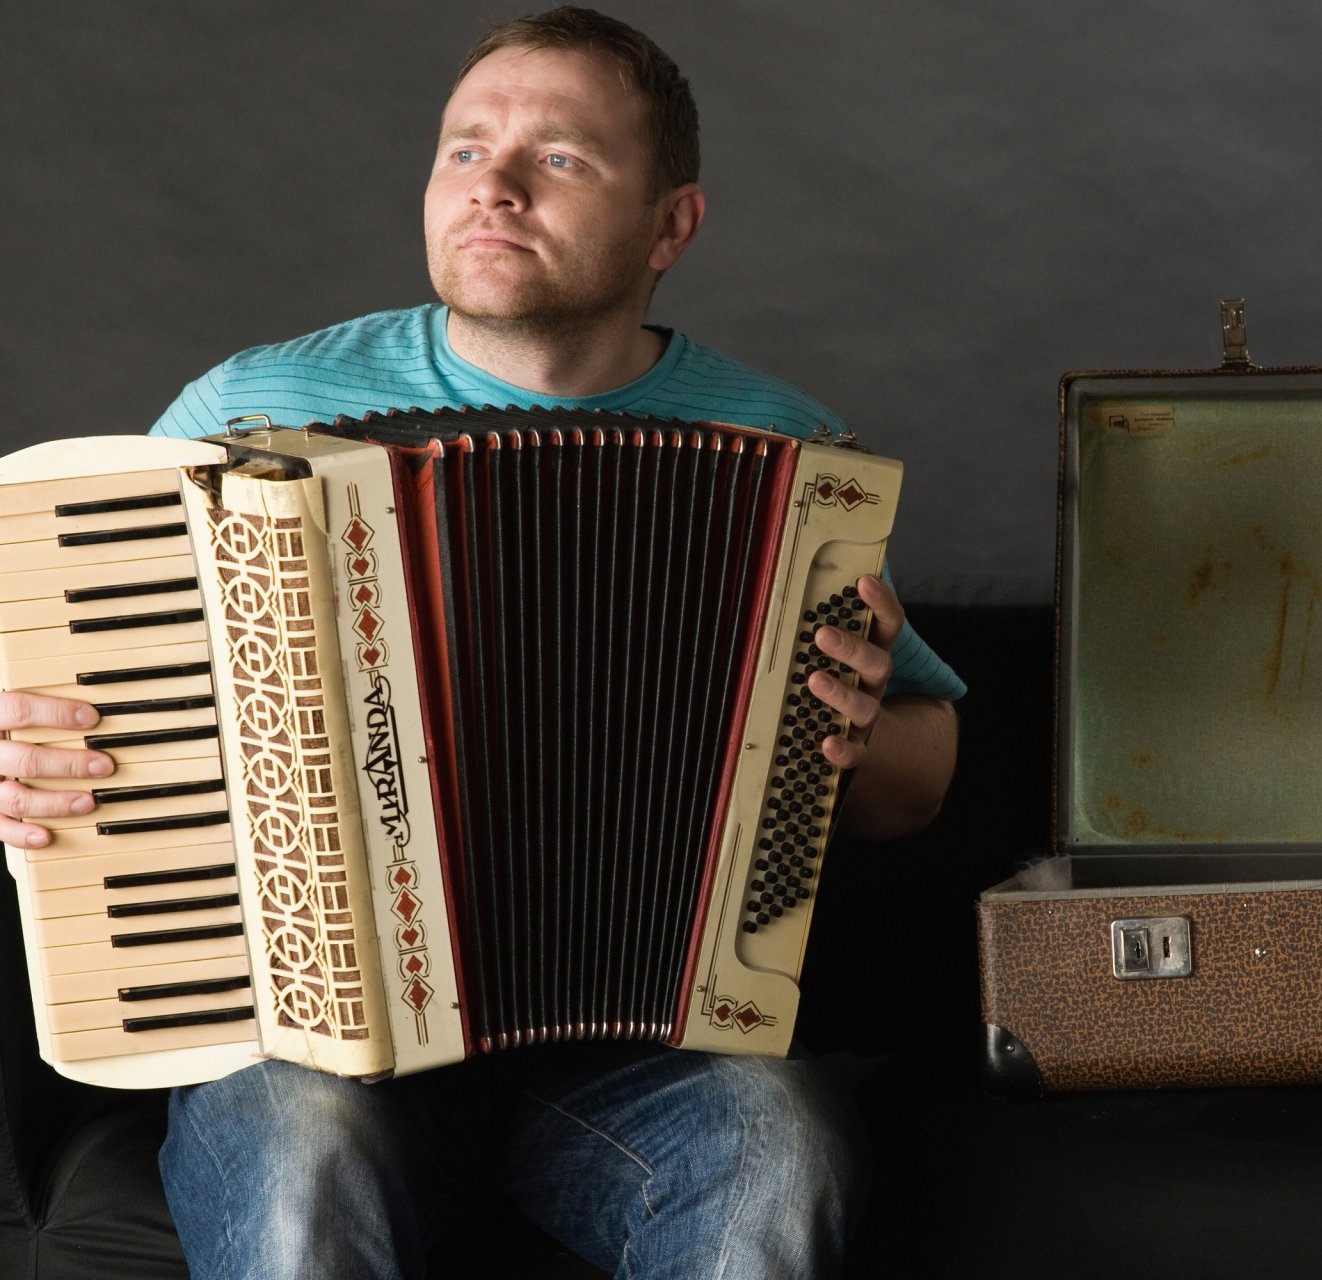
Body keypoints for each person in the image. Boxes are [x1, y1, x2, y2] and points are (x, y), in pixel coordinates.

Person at [0, 8, 962, 1277]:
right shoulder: (246, 413)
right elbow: (57, 670)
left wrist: (850, 736)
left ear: (672, 223)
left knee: (780, 1146)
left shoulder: (789, 452)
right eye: (464, 150)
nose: (493, 187)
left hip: (644, 1046)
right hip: (322, 1032)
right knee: (299, 1160)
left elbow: (924, 767)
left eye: (559, 158)